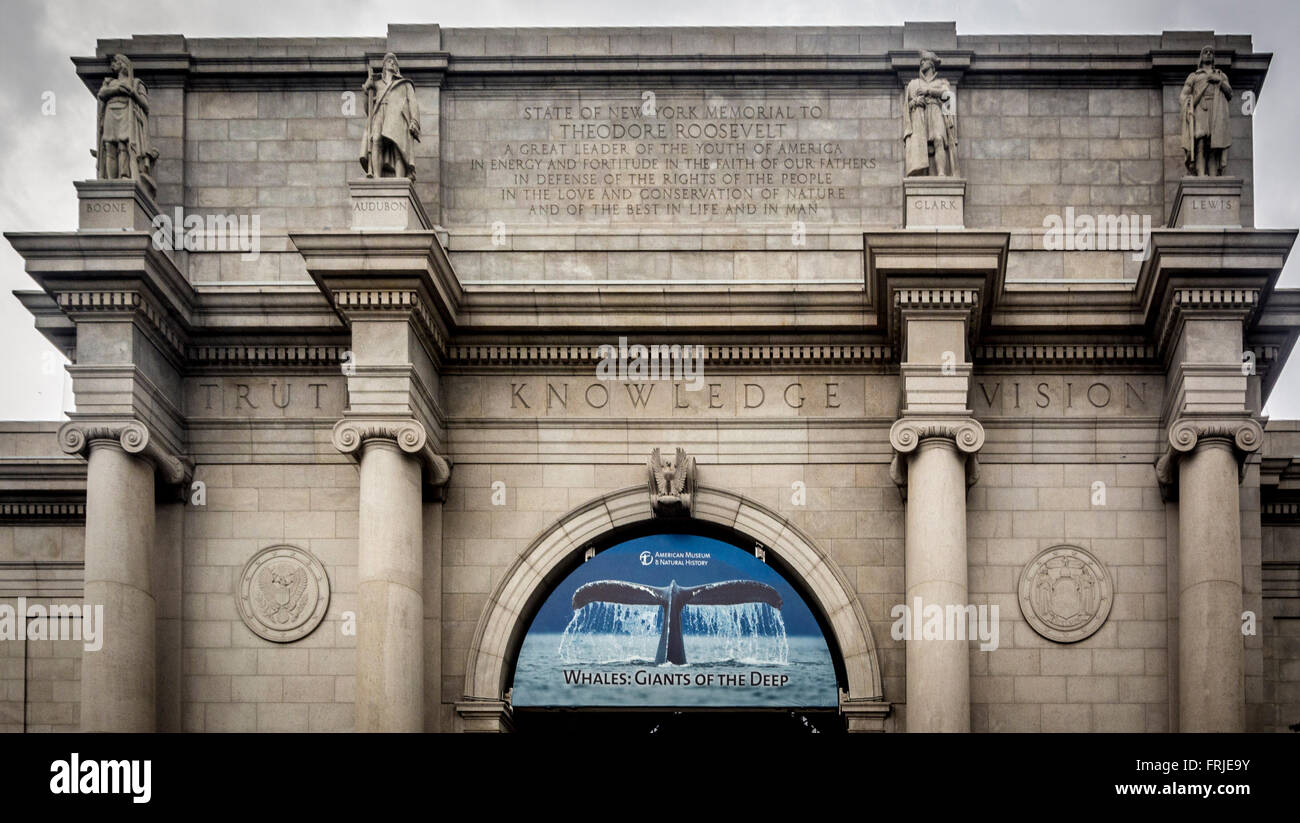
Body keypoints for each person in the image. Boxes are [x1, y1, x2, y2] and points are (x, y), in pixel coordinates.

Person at [360, 52, 421, 179]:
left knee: (397, 146)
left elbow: (413, 103)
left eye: (394, 62)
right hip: (380, 112)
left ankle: (399, 179)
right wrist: (366, 91)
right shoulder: (376, 84)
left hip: (397, 115)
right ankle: (376, 176)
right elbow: (368, 109)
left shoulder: (405, 84)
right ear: (384, 65)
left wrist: (414, 120)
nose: (392, 63)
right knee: (376, 140)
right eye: (389, 61)